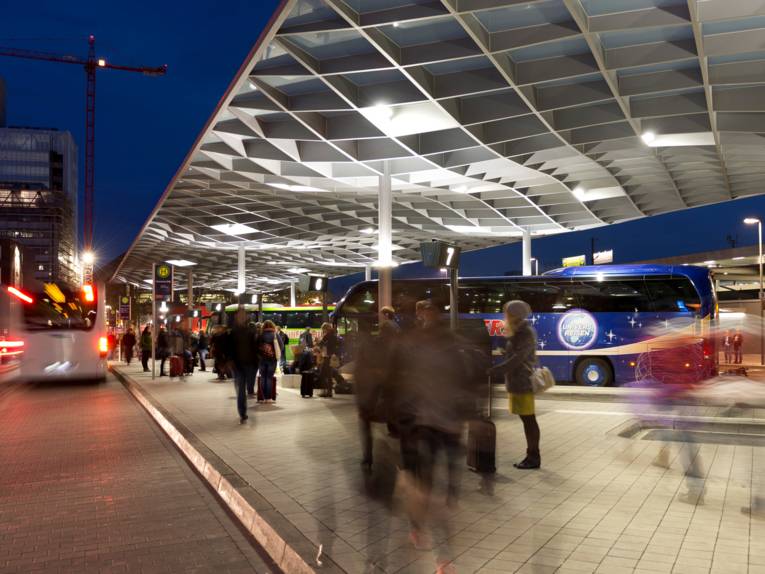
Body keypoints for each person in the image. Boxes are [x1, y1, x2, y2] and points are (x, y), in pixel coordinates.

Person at [388, 299, 471, 571]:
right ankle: (441, 555)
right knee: (428, 488)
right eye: (423, 314)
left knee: (442, 491)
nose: (427, 318)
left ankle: (438, 546)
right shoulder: (414, 346)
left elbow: (466, 381)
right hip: (426, 426)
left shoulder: (446, 345)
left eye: (431, 313)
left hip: (444, 425)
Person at [489, 300, 540, 469]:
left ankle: (533, 457)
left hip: (523, 382)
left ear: (515, 315)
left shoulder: (525, 332)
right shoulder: (517, 332)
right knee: (527, 420)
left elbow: (518, 359)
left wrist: (496, 369)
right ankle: (531, 456)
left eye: (508, 313)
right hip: (516, 382)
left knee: (529, 420)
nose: (506, 316)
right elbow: (516, 355)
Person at [230, 309, 258, 423]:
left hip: (250, 364)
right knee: (241, 389)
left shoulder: (251, 331)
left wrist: (257, 360)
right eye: (239, 315)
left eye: (243, 315)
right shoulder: (232, 332)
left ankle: (243, 409)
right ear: (236, 317)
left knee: (247, 387)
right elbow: (229, 348)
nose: (242, 317)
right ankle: (243, 412)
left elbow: (255, 346)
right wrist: (229, 361)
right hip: (238, 365)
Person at [317, 323, 345, 398]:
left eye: (323, 329)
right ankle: (329, 392)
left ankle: (325, 391)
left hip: (327, 357)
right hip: (331, 356)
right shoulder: (334, 335)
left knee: (323, 374)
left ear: (326, 329)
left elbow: (321, 343)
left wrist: (319, 341)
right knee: (329, 375)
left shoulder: (328, 335)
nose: (323, 331)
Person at [257, 320, 280, 402]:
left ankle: (263, 397)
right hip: (272, 360)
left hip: (262, 360)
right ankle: (268, 398)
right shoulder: (275, 335)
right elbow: (281, 346)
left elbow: (255, 347)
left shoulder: (260, 335)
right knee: (269, 378)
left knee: (263, 377)